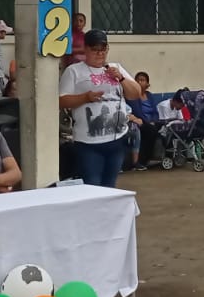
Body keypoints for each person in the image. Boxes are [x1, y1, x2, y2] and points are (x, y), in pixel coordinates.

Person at [58, 30, 143, 186]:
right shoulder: (74, 71)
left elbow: (136, 93)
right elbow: (61, 101)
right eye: (95, 50)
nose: (100, 54)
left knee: (110, 184)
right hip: (89, 142)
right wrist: (85, 97)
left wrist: (121, 78)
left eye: (103, 49)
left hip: (116, 138)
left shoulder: (115, 67)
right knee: (92, 183)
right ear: (85, 49)